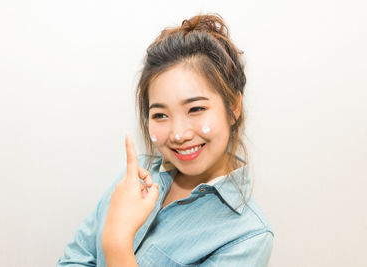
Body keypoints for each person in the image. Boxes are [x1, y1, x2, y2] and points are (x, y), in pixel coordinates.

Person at [57, 13, 274, 266]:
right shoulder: (138, 175)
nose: (179, 135)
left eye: (196, 109)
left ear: (234, 107)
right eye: (160, 114)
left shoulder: (248, 237)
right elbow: (73, 259)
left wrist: (117, 241)